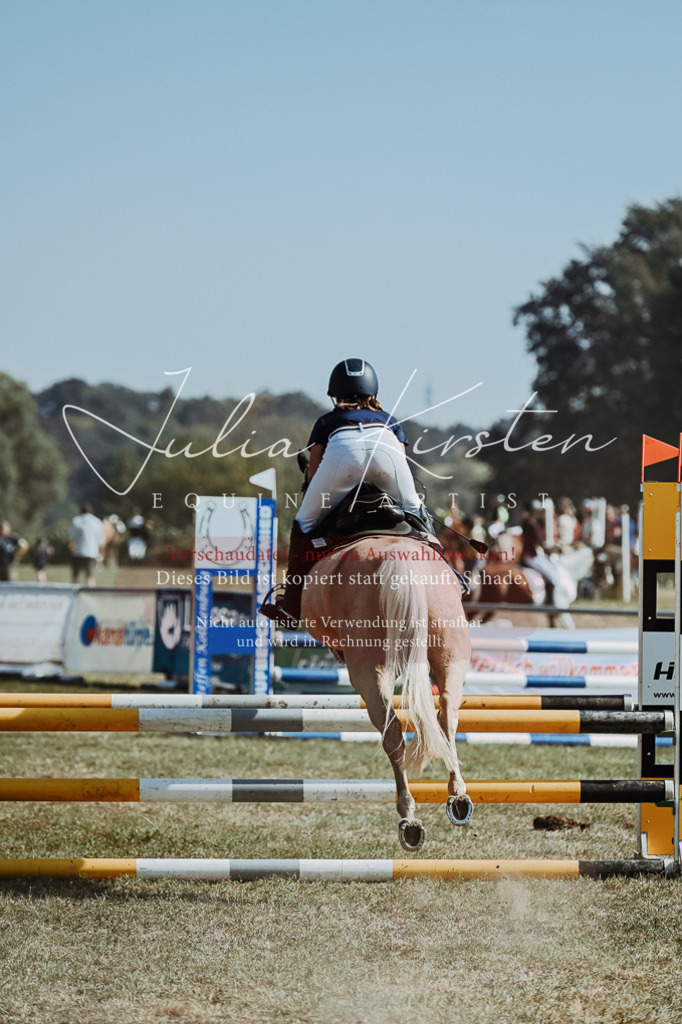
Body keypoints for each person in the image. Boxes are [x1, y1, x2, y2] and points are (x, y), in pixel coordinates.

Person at [260, 358, 426, 627]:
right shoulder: (391, 420)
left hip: (342, 453)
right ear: (373, 394)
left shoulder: (327, 421)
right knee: (417, 514)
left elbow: (313, 472)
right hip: (386, 449)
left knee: (304, 524)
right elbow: (401, 460)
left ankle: (290, 606)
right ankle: (451, 573)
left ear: (335, 395)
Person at [519, 501, 562, 601]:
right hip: (530, 555)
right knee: (552, 577)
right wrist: (548, 549)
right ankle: (550, 601)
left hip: (533, 554)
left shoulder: (533, 523)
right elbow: (535, 543)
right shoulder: (530, 524)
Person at [69, 504, 105, 586]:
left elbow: (72, 539)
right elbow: (102, 541)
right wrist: (100, 554)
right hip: (91, 553)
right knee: (90, 576)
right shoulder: (97, 522)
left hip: (78, 552)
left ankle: (72, 595)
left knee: (75, 577)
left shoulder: (76, 520)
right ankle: (91, 594)